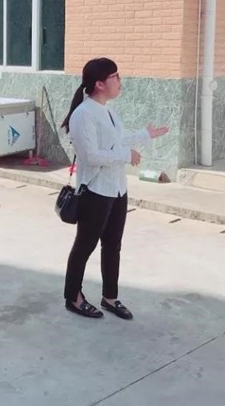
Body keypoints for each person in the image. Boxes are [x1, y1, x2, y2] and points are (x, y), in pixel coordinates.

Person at [60, 57, 168, 320]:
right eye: (115, 77)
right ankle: (73, 297)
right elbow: (91, 156)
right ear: (99, 84)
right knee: (85, 246)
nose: (120, 81)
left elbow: (117, 140)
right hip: (95, 191)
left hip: (117, 189)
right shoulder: (83, 114)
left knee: (112, 245)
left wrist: (145, 135)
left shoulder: (106, 110)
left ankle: (110, 297)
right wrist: (126, 155)